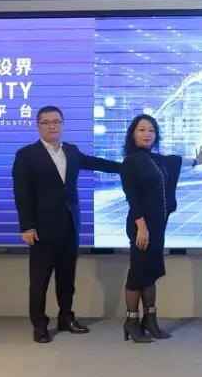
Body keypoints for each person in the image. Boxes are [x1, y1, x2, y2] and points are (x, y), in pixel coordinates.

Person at [12, 105, 123, 344]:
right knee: (40, 281)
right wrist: (27, 226)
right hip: (41, 229)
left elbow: (95, 163)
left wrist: (125, 167)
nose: (52, 126)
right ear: (38, 126)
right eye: (46, 122)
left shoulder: (71, 151)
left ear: (62, 124)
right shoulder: (26, 155)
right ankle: (39, 325)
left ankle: (66, 317)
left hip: (69, 225)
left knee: (67, 278)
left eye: (56, 121)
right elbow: (21, 194)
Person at [118, 113, 202, 343]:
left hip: (158, 226)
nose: (147, 134)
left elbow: (175, 161)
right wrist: (142, 227)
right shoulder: (130, 162)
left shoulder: (156, 159)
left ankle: (150, 320)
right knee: (137, 274)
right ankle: (131, 321)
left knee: (151, 272)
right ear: (132, 134)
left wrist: (196, 161)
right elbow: (133, 197)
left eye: (151, 130)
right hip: (141, 227)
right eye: (142, 129)